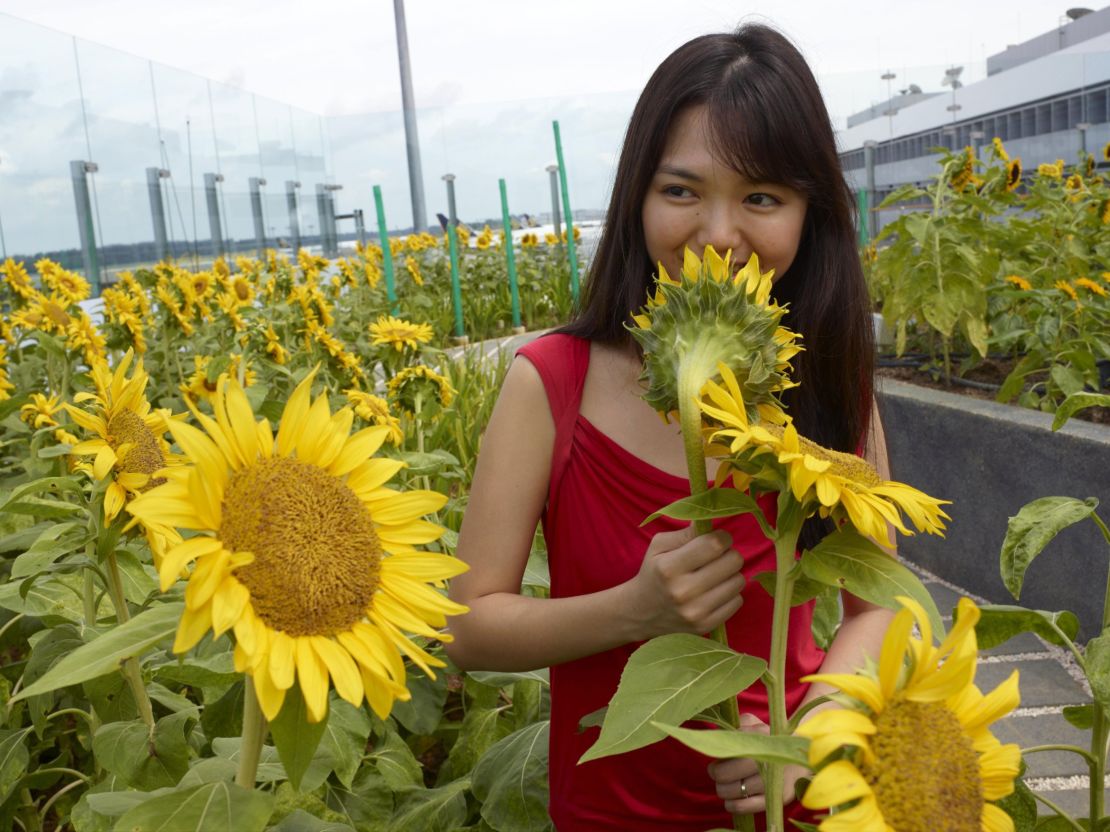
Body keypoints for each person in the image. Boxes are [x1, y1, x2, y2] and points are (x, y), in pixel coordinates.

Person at [445, 23, 896, 832]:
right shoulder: (550, 382)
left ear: (809, 213)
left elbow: (879, 603)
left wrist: (814, 734)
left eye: (762, 198)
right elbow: (466, 623)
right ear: (637, 198)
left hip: (797, 804)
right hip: (615, 812)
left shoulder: (828, 380)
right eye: (681, 191)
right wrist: (635, 610)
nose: (718, 235)